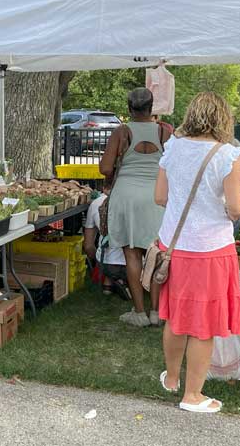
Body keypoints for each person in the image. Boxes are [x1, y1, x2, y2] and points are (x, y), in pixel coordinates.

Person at [154, 92, 240, 414]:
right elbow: (235, 208)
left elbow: (160, 197)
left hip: (174, 245)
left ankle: (172, 378)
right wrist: (232, 206)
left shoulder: (173, 147)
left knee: (176, 317)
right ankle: (192, 394)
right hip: (210, 247)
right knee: (203, 325)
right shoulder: (228, 155)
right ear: (223, 117)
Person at [98, 88, 171, 327]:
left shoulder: (122, 131)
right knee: (157, 253)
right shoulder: (165, 131)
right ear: (152, 107)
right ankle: (157, 311)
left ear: (129, 108)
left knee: (132, 253)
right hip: (157, 196)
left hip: (126, 195)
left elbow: (105, 168)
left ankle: (139, 312)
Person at [82, 192, 130, 300]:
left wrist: (97, 263)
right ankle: (124, 282)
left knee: (107, 248)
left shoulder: (96, 203)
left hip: (106, 262)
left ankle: (108, 284)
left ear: (103, 187)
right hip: (132, 264)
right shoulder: (133, 200)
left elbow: (88, 246)